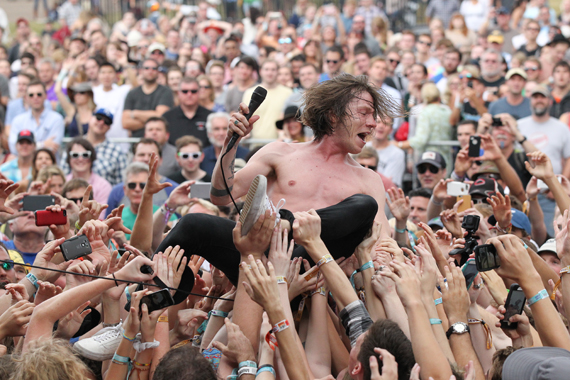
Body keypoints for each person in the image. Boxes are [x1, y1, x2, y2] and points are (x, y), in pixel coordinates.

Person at [157, 74, 400, 286]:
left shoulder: (368, 179)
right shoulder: (280, 153)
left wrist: (388, 256)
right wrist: (231, 143)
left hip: (314, 266)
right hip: (260, 255)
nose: (372, 124)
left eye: (374, 116)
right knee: (192, 224)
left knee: (364, 206)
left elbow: (382, 241)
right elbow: (220, 195)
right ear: (333, 116)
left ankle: (288, 225)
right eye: (365, 113)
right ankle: (149, 290)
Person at [105, 138, 178, 217]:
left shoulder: (173, 189)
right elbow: (108, 222)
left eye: (151, 155)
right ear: (133, 159)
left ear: (160, 160)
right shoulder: (117, 191)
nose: (146, 159)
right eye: (141, 155)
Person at [61, 109, 127, 186]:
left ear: (109, 127)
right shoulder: (74, 145)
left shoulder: (116, 151)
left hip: (105, 195)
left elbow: (123, 183)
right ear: (90, 118)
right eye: (98, 118)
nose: (101, 123)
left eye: (107, 122)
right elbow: (63, 174)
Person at [122, 58, 174, 138]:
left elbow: (161, 116)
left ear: (158, 72)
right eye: (146, 68)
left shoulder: (165, 91)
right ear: (141, 71)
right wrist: (154, 120)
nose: (150, 71)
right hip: (136, 142)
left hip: (159, 142)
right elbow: (125, 123)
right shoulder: (132, 93)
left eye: (154, 68)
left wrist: (134, 113)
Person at [9, 79, 64, 154]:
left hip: (48, 165)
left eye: (39, 94)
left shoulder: (57, 119)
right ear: (26, 98)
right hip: (26, 164)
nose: (35, 97)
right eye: (31, 95)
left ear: (45, 96)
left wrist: (26, 147)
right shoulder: (18, 120)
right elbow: (14, 148)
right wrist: (43, 144)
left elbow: (53, 148)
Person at [242, 60, 293, 140]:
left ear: (277, 72)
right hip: (254, 143)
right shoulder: (249, 92)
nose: (270, 73)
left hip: (279, 143)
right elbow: (244, 117)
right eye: (266, 69)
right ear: (260, 71)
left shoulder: (288, 93)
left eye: (273, 70)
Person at [163, 77, 212, 148]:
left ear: (199, 92)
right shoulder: (167, 117)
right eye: (185, 91)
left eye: (193, 91)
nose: (189, 94)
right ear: (178, 93)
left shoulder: (210, 117)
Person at [92, 62, 132, 149]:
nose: (106, 76)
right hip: (98, 144)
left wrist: (125, 64)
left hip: (120, 143)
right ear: (98, 75)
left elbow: (136, 86)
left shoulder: (122, 91)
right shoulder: (93, 92)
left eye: (110, 72)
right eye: (103, 72)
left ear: (115, 75)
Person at [64, 137, 112, 208]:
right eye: (75, 155)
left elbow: (102, 216)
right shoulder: (62, 183)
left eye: (85, 155)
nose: (80, 159)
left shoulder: (103, 186)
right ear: (69, 159)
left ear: (92, 158)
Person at [201, 112, 249, 176]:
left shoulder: (246, 154)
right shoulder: (202, 156)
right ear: (209, 133)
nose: (221, 133)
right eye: (216, 129)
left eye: (225, 128)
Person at [367, 116, 405, 187]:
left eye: (386, 124)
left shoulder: (397, 154)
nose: (381, 126)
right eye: (378, 122)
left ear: (391, 130)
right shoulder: (362, 148)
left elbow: (388, 185)